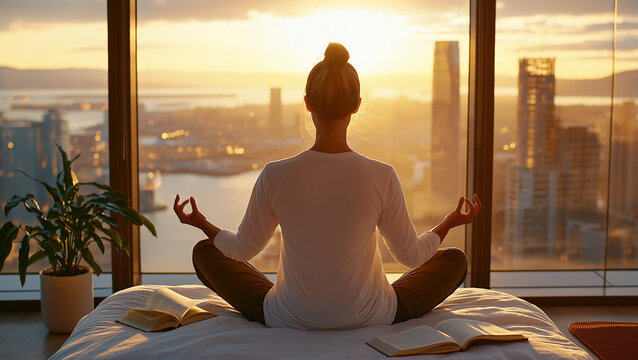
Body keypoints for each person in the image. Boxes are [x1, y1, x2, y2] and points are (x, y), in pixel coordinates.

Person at [173, 42, 481, 331]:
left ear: (307, 103)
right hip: (373, 316)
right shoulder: (382, 175)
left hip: (287, 318)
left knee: (205, 252)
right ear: (357, 105)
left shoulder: (274, 175)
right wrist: (451, 221)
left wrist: (201, 223)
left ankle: (288, 302)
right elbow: (411, 257)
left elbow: (242, 250)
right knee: (455, 260)